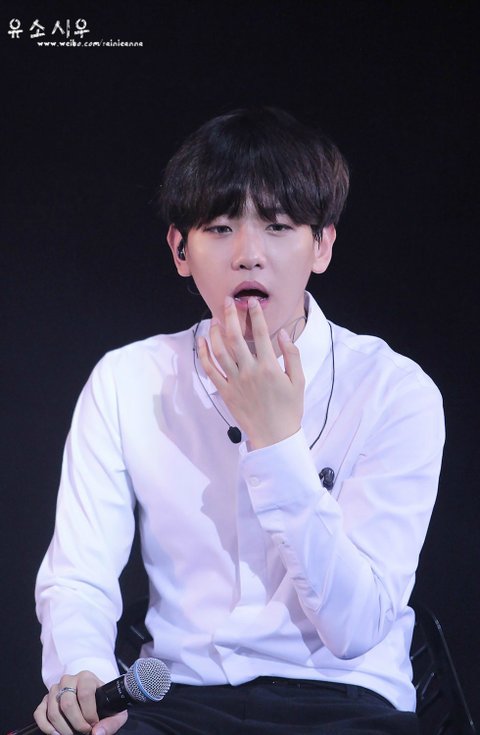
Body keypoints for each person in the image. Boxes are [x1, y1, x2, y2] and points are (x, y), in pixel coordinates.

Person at [33, 107, 445, 735]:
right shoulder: (127, 380)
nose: (249, 256)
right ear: (180, 249)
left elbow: (357, 626)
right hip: (178, 700)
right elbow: (78, 576)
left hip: (345, 701)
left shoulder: (395, 391)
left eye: (278, 227)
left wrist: (276, 442)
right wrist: (83, 671)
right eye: (221, 228)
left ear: (322, 245)